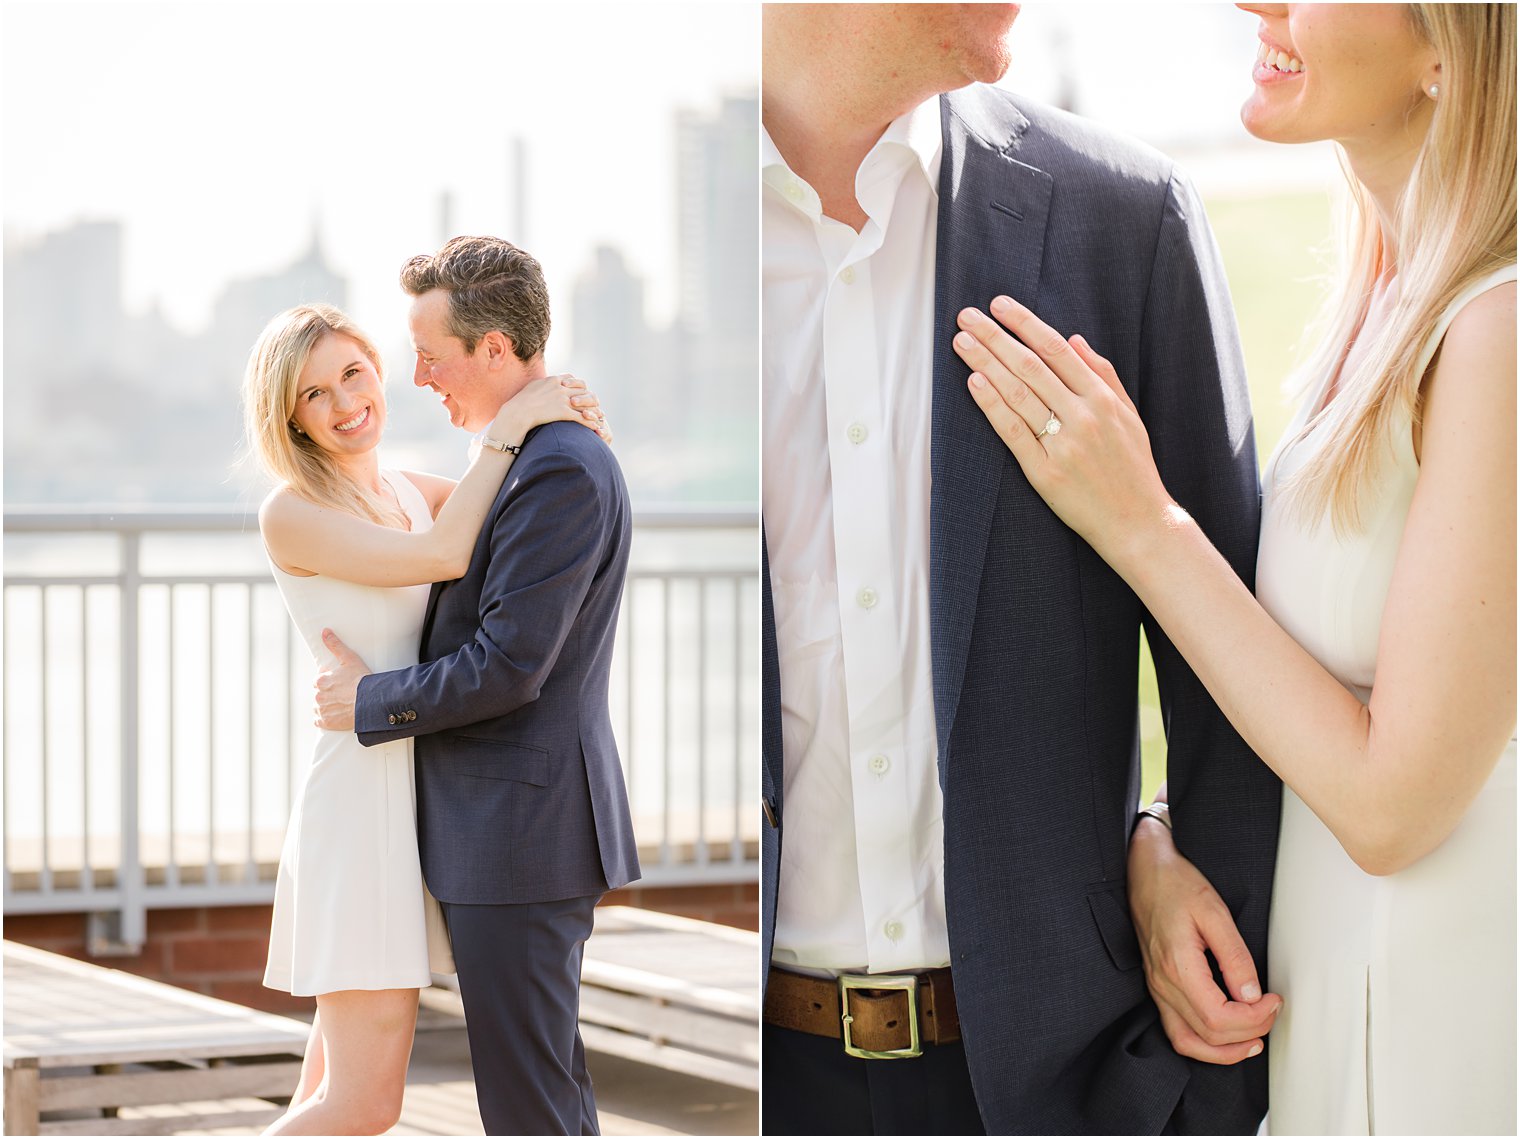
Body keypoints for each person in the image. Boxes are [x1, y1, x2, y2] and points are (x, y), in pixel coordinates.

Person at [956, 4, 1516, 1134]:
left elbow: (1394, 803)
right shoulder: (1387, 309)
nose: (1255, 4)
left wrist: (1140, 522)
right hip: (1337, 1007)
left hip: (1435, 1026)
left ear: (1446, 49)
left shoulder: (1498, 328)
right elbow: (1319, 688)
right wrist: (1156, 837)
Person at [760, 4, 1280, 1133]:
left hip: (1064, 1087)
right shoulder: (666, 253)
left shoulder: (1121, 217)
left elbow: (1233, 689)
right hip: (745, 1071)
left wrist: (1204, 1075)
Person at [242, 298, 608, 1134]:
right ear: (288, 419)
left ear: (376, 367)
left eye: (352, 372)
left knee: (324, 1096)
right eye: (312, 395)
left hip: (410, 802)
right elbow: (444, 553)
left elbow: (522, 509)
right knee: (364, 1105)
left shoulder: (408, 487)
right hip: (360, 808)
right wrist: (513, 421)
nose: (344, 403)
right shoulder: (292, 509)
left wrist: (571, 424)